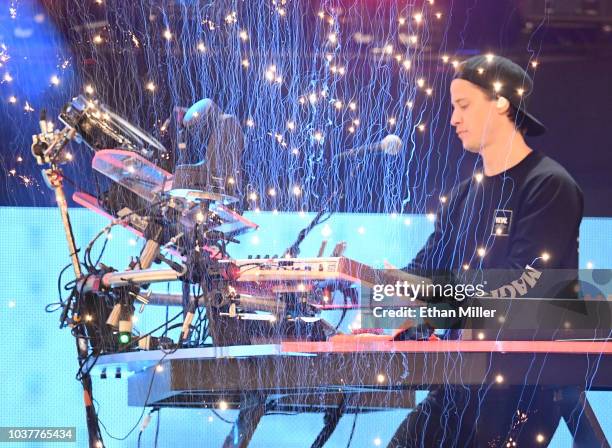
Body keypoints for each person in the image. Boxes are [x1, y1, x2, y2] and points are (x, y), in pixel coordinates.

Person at [387, 55, 584, 447]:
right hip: (464, 378)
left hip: (522, 382)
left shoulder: (549, 185)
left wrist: (431, 300)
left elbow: (520, 287)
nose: (453, 119)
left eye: (463, 105)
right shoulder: (464, 195)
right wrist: (374, 282)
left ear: (501, 103)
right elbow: (426, 266)